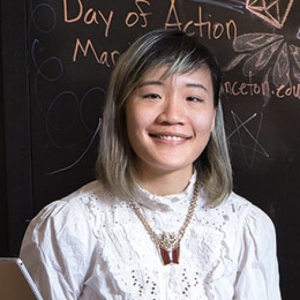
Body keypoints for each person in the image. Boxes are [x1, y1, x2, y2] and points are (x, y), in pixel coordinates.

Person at [20, 29, 281, 300]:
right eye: (153, 95)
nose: (172, 116)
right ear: (121, 110)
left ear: (213, 117)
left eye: (193, 98)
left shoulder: (247, 227)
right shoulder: (67, 226)